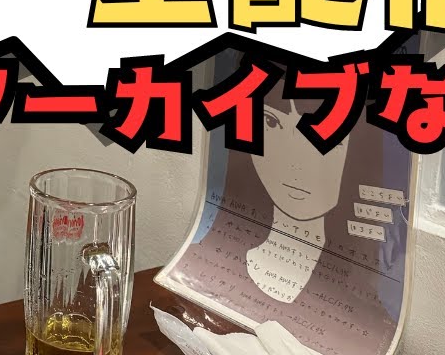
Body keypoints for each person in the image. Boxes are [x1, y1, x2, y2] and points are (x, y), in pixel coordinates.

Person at [163, 56, 405, 355]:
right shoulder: (205, 264)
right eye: (271, 122)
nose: (295, 161)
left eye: (321, 130)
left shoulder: (368, 318)